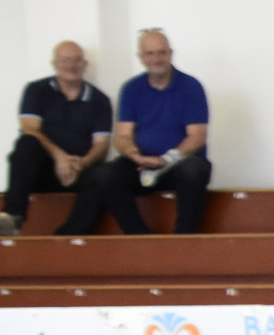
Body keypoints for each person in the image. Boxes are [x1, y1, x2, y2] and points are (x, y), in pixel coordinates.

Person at [68, 30, 212, 235]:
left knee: (194, 170)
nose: (156, 59)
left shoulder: (191, 86)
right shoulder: (131, 88)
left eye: (161, 52)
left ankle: (184, 238)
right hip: (141, 165)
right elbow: (122, 136)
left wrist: (167, 159)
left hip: (178, 163)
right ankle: (138, 236)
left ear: (171, 54)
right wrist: (135, 155)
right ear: (141, 57)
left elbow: (197, 136)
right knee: (104, 174)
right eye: (150, 53)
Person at [0, 41, 111, 235]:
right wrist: (59, 157)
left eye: (76, 60)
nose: (71, 65)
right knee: (26, 143)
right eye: (65, 60)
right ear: (54, 64)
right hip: (42, 170)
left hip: (78, 170)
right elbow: (29, 129)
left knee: (105, 175)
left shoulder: (100, 100)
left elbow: (102, 145)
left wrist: (82, 163)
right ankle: (13, 215)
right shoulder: (36, 90)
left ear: (85, 64)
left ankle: (67, 236)